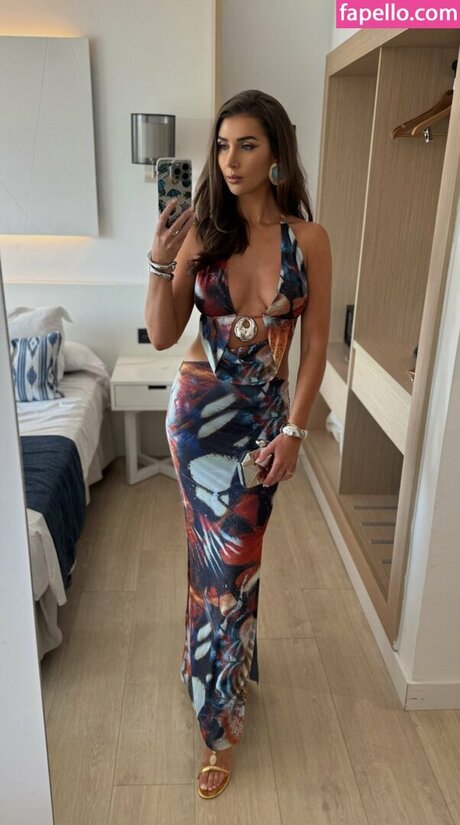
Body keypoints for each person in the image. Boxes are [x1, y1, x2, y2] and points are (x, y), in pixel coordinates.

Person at [145, 89, 332, 799]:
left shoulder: (308, 240)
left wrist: (295, 430)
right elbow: (164, 334)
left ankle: (210, 665)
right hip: (198, 422)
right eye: (223, 145)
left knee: (233, 566)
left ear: (276, 151)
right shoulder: (203, 233)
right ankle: (216, 729)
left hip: (263, 426)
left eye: (247, 144)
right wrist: (160, 262)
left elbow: (315, 347)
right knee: (218, 566)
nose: (230, 159)